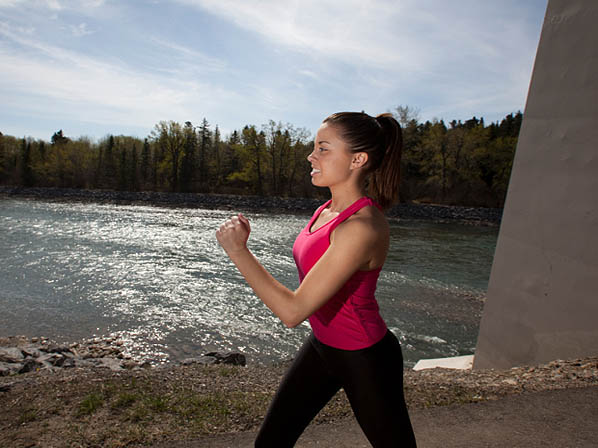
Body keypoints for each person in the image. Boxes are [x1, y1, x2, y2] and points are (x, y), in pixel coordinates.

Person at [216, 111, 417, 447]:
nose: (312, 156)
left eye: (323, 148)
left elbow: (293, 311)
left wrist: (238, 252)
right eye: (314, 147)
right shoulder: (325, 211)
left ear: (358, 159)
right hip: (323, 347)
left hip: (364, 356)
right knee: (270, 442)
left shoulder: (360, 227)